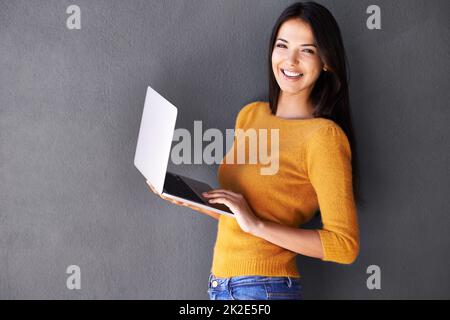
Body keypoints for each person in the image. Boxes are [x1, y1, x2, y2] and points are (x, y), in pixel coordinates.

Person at [147, 1, 360, 300]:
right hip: (220, 284)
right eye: (282, 46)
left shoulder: (324, 137)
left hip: (264, 288)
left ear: (326, 61)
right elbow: (239, 214)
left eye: (307, 50)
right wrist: (178, 193)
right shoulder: (250, 115)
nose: (290, 60)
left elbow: (344, 246)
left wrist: (256, 224)